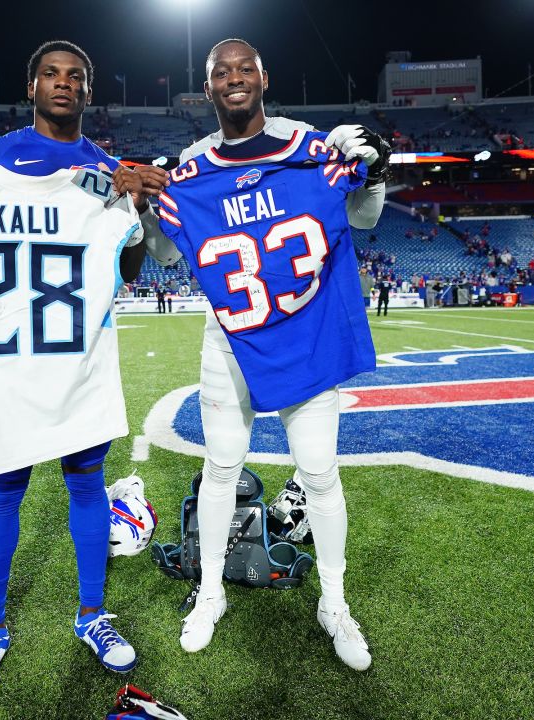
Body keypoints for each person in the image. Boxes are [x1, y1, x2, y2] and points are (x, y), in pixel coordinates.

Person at [0, 39, 170, 707]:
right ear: (31, 87)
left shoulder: (110, 169)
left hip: (76, 354)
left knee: (87, 489)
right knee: (2, 490)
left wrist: (134, 210)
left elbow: (129, 273)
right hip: (11, 359)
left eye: (76, 77)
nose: (64, 85)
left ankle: (92, 616)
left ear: (89, 92)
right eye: (52, 75)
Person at [138, 38, 390, 672]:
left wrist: (376, 174)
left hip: (303, 338)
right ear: (209, 87)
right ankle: (211, 592)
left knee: (320, 471)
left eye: (243, 68)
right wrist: (145, 206)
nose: (233, 79)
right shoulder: (190, 170)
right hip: (230, 342)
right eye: (220, 72)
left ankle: (335, 602)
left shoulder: (309, 148)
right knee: (221, 468)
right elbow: (166, 254)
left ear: (263, 77)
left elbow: (360, 218)